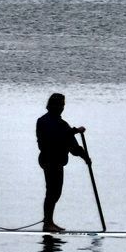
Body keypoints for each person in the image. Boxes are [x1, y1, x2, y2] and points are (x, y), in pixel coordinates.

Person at [35, 92, 90, 232]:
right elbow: (56, 136)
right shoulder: (44, 122)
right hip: (49, 160)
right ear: (51, 105)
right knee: (52, 192)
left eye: (63, 105)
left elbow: (73, 147)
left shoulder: (62, 124)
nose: (61, 108)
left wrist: (85, 157)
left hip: (58, 161)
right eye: (59, 105)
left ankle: (49, 221)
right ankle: (47, 223)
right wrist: (75, 131)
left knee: (56, 192)